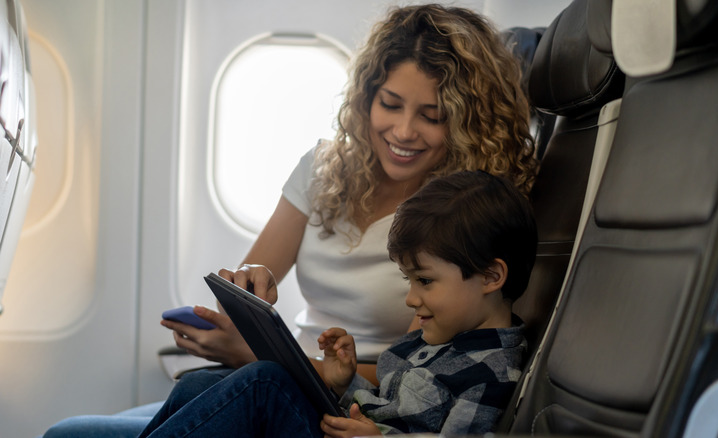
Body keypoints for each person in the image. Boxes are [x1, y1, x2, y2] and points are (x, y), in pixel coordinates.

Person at [41, 3, 537, 437]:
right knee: (68, 432)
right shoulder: (323, 169)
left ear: (467, 119)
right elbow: (251, 286)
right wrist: (251, 294)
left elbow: (405, 373)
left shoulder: (455, 220)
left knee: (259, 384)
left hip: (329, 390)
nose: (403, 130)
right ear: (366, 96)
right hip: (297, 372)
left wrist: (266, 360)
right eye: (389, 104)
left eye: (432, 116)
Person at [137, 169, 538, 437]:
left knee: (265, 382)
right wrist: (347, 383)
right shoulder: (444, 335)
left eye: (426, 281)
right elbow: (388, 407)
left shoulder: (493, 371)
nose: (411, 297)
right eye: (410, 281)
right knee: (199, 383)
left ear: (491, 276)